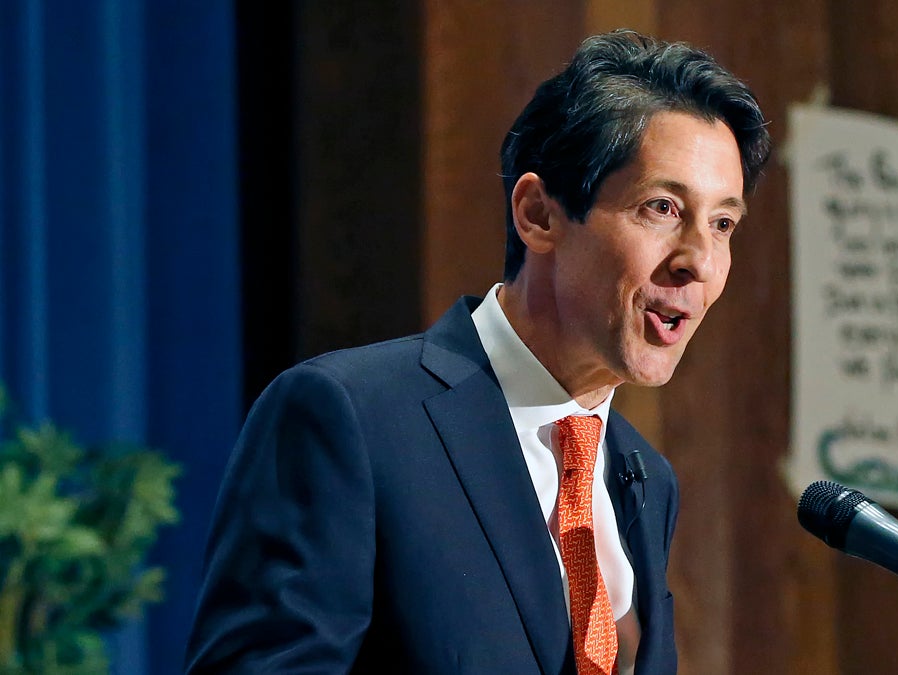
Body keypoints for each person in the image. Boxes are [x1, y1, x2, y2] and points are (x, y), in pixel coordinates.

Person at [185, 29, 770, 674]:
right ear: (538, 215)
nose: (699, 262)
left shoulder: (645, 477)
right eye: (661, 208)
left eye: (722, 224)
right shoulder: (353, 418)